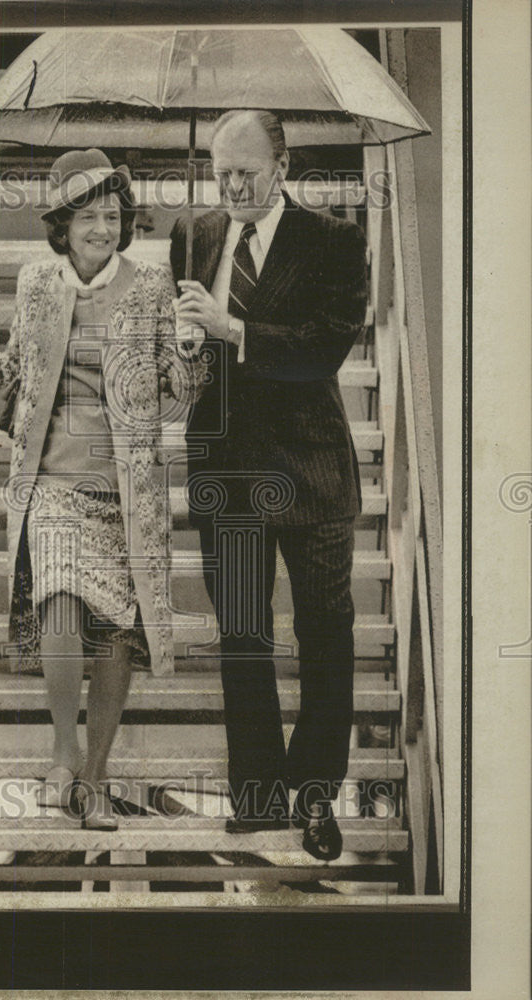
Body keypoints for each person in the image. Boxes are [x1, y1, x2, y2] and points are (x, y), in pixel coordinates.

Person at [0, 148, 197, 830]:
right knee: (58, 607)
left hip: (124, 490)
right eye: (88, 217)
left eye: (112, 216)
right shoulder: (36, 284)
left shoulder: (151, 287)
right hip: (50, 482)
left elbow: (184, 388)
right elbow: (9, 370)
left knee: (114, 633)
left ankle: (93, 775)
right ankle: (63, 742)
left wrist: (194, 343)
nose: (102, 229)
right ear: (62, 225)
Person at [171, 110, 368, 860]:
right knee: (244, 640)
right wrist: (187, 349)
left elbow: (322, 350)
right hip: (229, 473)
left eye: (246, 171)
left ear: (284, 166)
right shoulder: (194, 233)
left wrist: (232, 332)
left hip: (311, 472)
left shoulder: (335, 241)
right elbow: (192, 356)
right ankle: (256, 800)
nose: (232, 185)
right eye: (221, 171)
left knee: (324, 636)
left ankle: (316, 797)